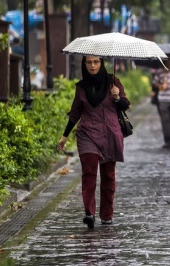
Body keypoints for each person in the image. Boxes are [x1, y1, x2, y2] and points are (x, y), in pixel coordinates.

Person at [57, 56, 130, 229]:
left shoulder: (113, 81)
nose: (92, 65)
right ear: (84, 64)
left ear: (101, 63)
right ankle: (89, 213)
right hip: (87, 133)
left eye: (96, 62)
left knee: (108, 175)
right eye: (89, 62)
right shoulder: (81, 87)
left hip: (110, 134)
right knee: (89, 172)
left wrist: (117, 97)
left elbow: (125, 105)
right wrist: (65, 135)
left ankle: (107, 215)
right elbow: (75, 112)